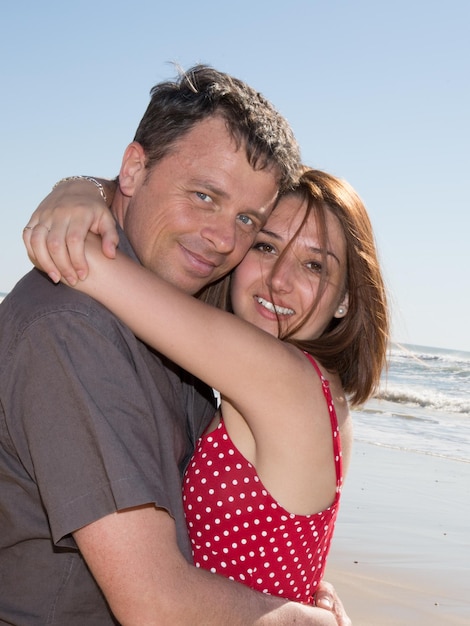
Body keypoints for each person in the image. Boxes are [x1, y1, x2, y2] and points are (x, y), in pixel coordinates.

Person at [0, 65, 350, 625]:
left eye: (245, 221)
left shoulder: (183, 317)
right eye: (204, 195)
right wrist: (295, 617)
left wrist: (82, 189)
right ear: (134, 168)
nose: (222, 239)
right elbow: (154, 603)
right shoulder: (71, 326)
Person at [27, 167, 388, 607]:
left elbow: (80, 259)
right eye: (265, 245)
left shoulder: (281, 377)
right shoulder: (312, 389)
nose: (278, 279)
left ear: (346, 299)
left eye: (313, 265)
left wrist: (78, 190)